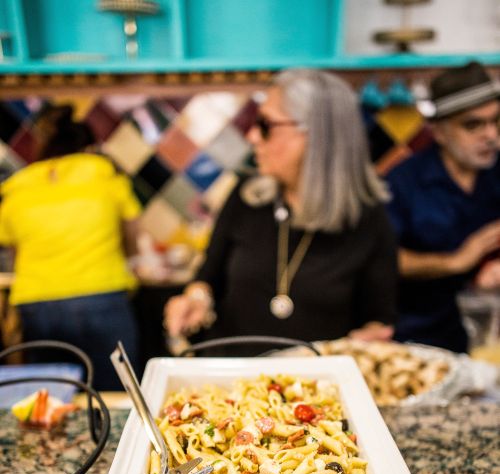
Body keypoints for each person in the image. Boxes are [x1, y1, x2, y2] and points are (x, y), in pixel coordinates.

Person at [164, 68, 398, 354]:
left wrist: (370, 340)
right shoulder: (247, 196)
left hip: (311, 390)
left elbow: (379, 318)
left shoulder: (368, 219)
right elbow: (207, 277)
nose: (252, 136)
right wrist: (196, 300)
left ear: (317, 136)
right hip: (231, 382)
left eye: (265, 125)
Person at [0, 104, 141, 389]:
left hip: (37, 304)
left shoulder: (17, 186)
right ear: (88, 147)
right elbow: (133, 239)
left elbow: (14, 251)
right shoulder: (105, 173)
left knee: (53, 396)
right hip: (102, 296)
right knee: (118, 394)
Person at [385, 61, 500, 353]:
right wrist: (457, 261)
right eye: (473, 125)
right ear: (439, 132)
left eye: (496, 121)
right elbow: (382, 260)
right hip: (421, 341)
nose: (490, 135)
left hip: (490, 340)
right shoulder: (402, 183)